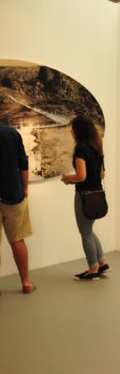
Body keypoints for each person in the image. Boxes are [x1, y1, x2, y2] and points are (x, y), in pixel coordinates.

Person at [61, 115, 109, 281]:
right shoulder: (97, 148)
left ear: (78, 130)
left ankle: (92, 268)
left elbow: (81, 176)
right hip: (97, 195)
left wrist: (67, 178)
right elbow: (101, 174)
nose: (70, 131)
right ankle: (102, 262)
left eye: (72, 128)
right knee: (89, 230)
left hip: (84, 196)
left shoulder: (81, 149)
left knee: (85, 232)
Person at [0, 123, 36, 294]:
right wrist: (25, 188)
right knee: (17, 240)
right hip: (13, 193)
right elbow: (23, 164)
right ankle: (26, 283)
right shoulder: (12, 133)